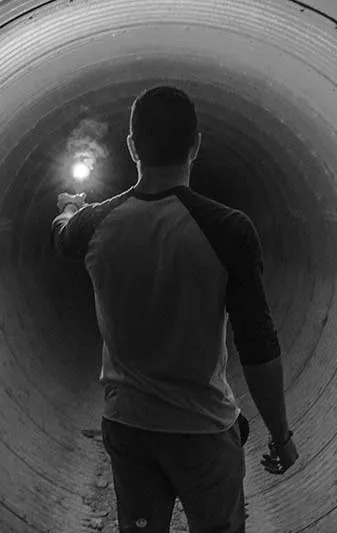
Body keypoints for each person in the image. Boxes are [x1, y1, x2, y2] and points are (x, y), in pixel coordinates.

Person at [51, 86, 298, 532]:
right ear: (196, 144)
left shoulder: (95, 225)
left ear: (132, 147)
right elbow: (257, 344)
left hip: (129, 429)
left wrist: (69, 208)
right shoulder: (228, 230)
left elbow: (64, 233)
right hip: (203, 431)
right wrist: (280, 434)